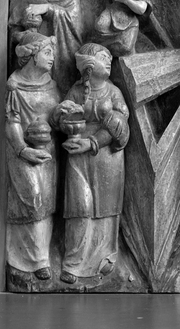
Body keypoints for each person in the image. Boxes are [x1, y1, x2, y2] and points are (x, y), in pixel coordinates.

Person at [54, 42, 129, 283]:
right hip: (77, 155)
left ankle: (104, 258)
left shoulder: (113, 92)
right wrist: (63, 115)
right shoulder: (76, 91)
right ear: (88, 64)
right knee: (79, 206)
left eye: (109, 58)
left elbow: (120, 124)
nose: (108, 61)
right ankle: (73, 264)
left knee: (106, 208)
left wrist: (93, 142)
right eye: (102, 57)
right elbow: (61, 122)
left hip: (106, 155)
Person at [5, 32, 61, 281]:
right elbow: (11, 123)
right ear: (32, 55)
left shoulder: (51, 84)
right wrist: (23, 149)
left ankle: (42, 259)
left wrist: (64, 115)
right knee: (31, 196)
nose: (52, 58)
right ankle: (21, 259)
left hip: (48, 151)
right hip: (21, 151)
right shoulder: (15, 86)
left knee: (46, 200)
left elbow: (55, 117)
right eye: (47, 53)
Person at [23, 0, 83, 93]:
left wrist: (48, 8)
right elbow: (17, 23)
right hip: (39, 51)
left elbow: (74, 22)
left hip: (64, 51)